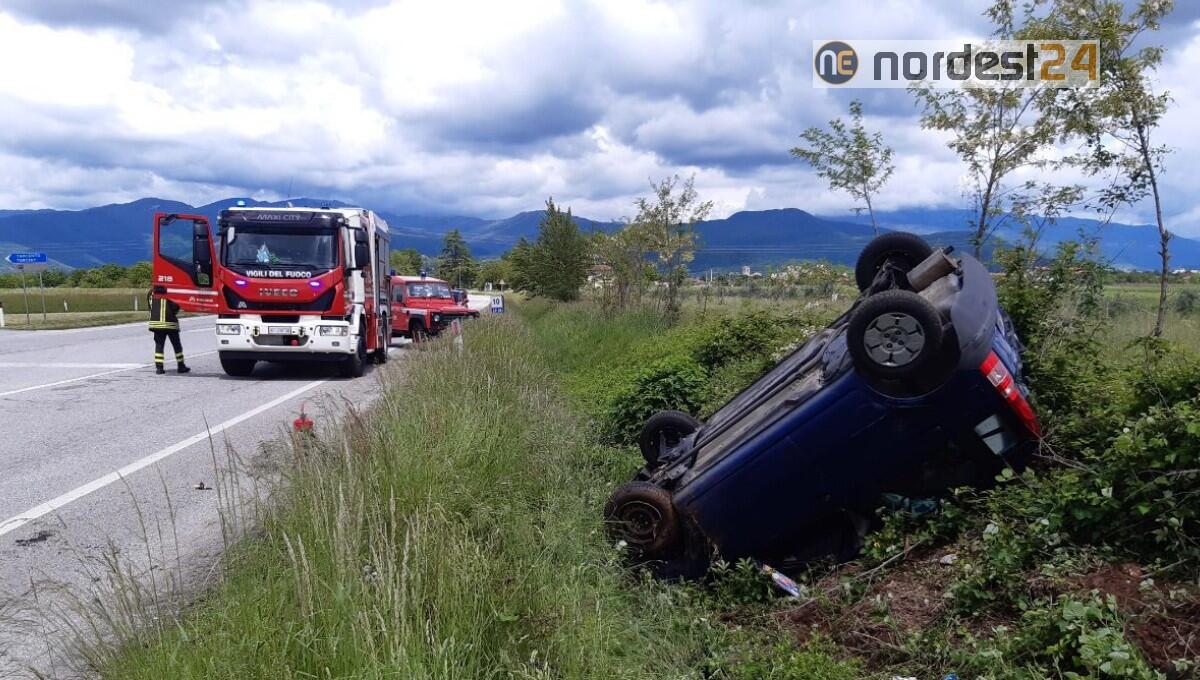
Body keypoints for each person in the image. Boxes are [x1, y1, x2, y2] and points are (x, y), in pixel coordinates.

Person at [148, 289, 190, 375]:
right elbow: (176, 306)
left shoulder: (151, 291)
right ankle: (181, 366)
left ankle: (159, 368)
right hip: (170, 322)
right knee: (176, 345)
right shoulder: (171, 290)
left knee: (159, 345)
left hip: (156, 323)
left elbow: (150, 306)